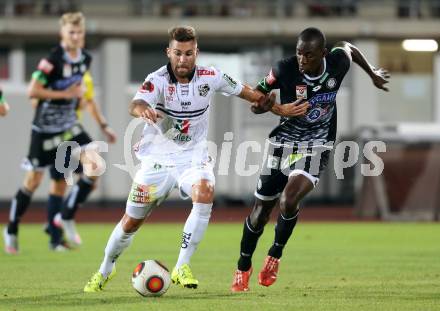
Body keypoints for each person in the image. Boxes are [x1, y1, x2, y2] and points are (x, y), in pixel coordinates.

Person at [83, 25, 302, 292]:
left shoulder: (210, 76)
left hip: (193, 159)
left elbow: (246, 91)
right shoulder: (158, 79)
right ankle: (105, 269)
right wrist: (145, 111)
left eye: (188, 53)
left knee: (205, 191)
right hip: (157, 161)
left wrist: (278, 108)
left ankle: (181, 266)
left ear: (196, 52)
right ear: (169, 52)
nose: (183, 59)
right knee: (130, 222)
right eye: (178, 53)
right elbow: (135, 104)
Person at [231, 27, 390, 292]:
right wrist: (269, 105)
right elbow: (255, 102)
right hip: (282, 143)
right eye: (299, 53)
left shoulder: (337, 63)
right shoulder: (283, 69)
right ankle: (242, 267)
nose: (302, 60)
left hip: (317, 144)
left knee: (289, 199)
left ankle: (274, 256)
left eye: (309, 55)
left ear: (323, 54)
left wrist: (372, 72)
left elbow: (349, 47)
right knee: (260, 214)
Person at [3, 12, 102, 253]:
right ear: (62, 34)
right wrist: (64, 95)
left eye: (79, 32)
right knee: (33, 182)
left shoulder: (86, 58)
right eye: (71, 32)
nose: (76, 37)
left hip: (69, 126)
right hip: (45, 130)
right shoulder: (51, 60)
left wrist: (76, 100)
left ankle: (64, 218)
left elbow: (78, 89)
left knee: (95, 166)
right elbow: (32, 91)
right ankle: (12, 227)